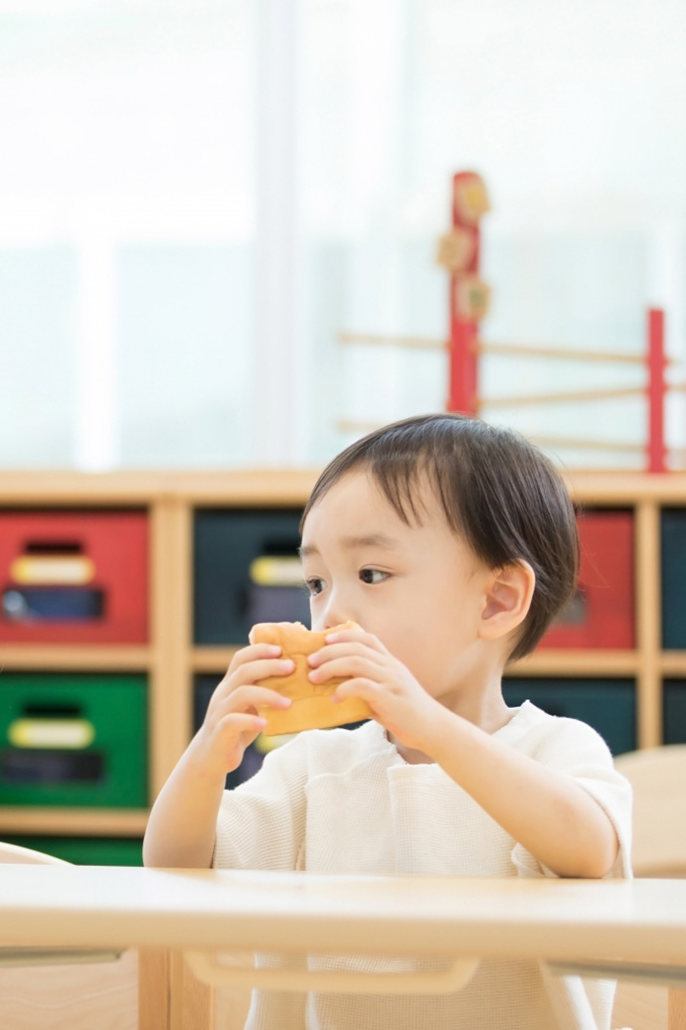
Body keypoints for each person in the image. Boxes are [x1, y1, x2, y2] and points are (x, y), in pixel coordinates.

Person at [144, 413, 632, 1030]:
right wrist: (207, 760)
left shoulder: (554, 749)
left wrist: (431, 726)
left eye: (372, 575)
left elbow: (588, 850)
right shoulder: (314, 770)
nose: (332, 614)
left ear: (496, 600)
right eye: (317, 583)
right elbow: (174, 870)